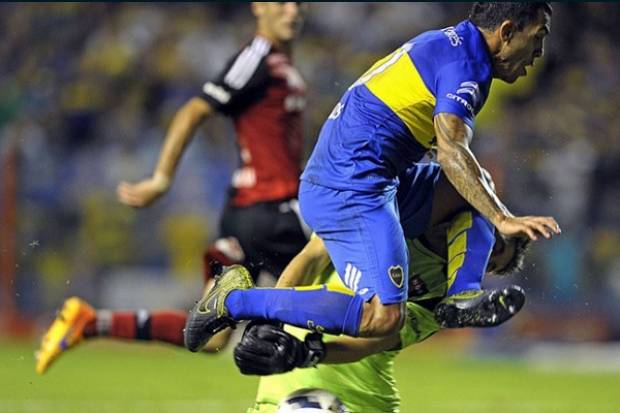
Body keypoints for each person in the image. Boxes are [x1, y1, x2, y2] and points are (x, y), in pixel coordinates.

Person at [183, 2, 559, 353]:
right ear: (507, 31)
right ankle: (233, 299)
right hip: (351, 186)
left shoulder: (450, 46)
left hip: (362, 178)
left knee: (477, 188)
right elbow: (451, 151)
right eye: (538, 37)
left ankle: (461, 298)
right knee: (384, 317)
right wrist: (502, 219)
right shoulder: (466, 66)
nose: (539, 53)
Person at [35, 2, 310, 375]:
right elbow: (194, 110)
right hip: (269, 212)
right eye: (281, 3)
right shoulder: (257, 58)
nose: (292, 11)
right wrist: (161, 178)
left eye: (298, 3)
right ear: (258, 7)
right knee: (329, 295)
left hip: (249, 212)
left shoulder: (281, 65)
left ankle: (90, 321)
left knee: (210, 336)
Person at [234, 162, 529, 413]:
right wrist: (272, 323)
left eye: (490, 266)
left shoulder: (447, 300)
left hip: (364, 399)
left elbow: (378, 340)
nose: (482, 260)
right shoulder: (403, 207)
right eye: (493, 246)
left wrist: (307, 352)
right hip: (282, 386)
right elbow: (311, 257)